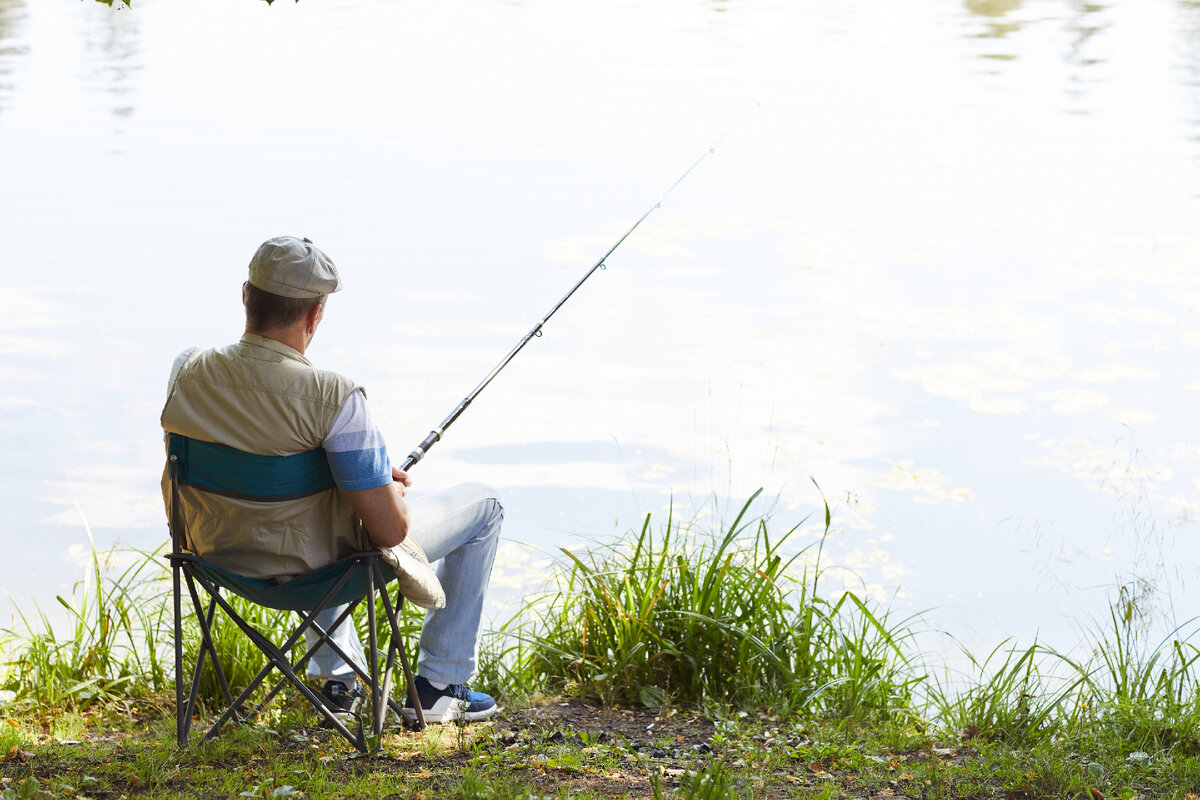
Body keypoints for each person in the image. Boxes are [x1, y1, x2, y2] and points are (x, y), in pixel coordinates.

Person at [160, 235, 503, 724]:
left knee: (318, 507)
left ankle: (338, 677)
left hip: (217, 558)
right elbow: (390, 533)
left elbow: (250, 439)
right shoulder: (334, 398)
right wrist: (385, 488)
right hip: (314, 573)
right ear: (314, 315)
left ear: (245, 296)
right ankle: (438, 685)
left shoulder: (187, 370)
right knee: (485, 504)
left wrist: (345, 476)